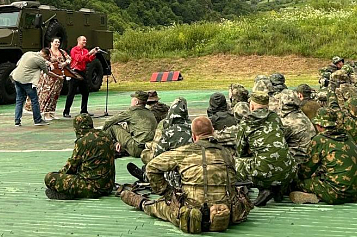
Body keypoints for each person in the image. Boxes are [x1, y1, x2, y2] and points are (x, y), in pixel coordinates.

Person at [120, 116, 252, 233]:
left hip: (190, 211)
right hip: (227, 211)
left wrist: (166, 192)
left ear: (193, 136)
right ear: (213, 132)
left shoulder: (183, 153)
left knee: (157, 206)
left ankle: (140, 202)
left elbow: (152, 167)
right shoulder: (227, 154)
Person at [235, 91, 295, 207]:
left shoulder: (247, 121)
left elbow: (240, 151)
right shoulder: (275, 117)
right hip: (289, 169)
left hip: (265, 169)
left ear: (251, 106)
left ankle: (264, 189)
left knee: (234, 163)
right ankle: (278, 188)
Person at [292, 108, 357, 205]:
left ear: (319, 125)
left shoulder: (320, 140)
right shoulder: (347, 136)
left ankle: (315, 196)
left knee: (297, 182)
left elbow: (305, 172)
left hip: (336, 194)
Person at [45, 113, 115, 199]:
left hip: (93, 188)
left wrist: (59, 176)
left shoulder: (83, 141)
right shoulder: (106, 136)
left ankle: (68, 193)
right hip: (108, 186)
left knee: (49, 177)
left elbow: (71, 167)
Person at [25, 37, 70, 120]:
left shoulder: (62, 52)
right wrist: (49, 63)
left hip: (59, 77)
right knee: (46, 94)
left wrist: (64, 63)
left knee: (55, 95)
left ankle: (51, 112)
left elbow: (69, 59)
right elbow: (40, 59)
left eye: (58, 42)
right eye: (55, 42)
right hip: (48, 76)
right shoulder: (47, 52)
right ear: (51, 43)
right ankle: (45, 113)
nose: (57, 44)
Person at [102, 91, 157, 157]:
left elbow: (109, 121)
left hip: (135, 148)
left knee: (111, 127)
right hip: (147, 149)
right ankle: (119, 147)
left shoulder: (132, 112)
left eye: (133, 99)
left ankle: (108, 146)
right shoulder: (149, 112)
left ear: (136, 102)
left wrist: (101, 133)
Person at [11, 47, 52, 126]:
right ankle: (37, 120)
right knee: (34, 100)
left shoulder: (28, 53)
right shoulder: (40, 60)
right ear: (45, 55)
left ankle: (17, 121)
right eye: (48, 57)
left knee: (19, 100)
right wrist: (58, 76)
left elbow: (18, 64)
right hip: (26, 81)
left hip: (16, 78)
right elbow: (47, 71)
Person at [63, 36, 100, 118]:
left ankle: (84, 110)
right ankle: (66, 111)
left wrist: (93, 54)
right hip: (75, 72)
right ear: (79, 41)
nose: (85, 41)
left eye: (85, 40)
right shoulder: (74, 50)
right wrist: (89, 53)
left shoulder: (85, 50)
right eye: (83, 40)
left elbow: (88, 60)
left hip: (82, 72)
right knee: (71, 92)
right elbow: (79, 59)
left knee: (85, 92)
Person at [277, 89, 315, 165]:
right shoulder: (300, 115)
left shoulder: (288, 122)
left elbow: (276, 142)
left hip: (298, 161)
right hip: (309, 158)